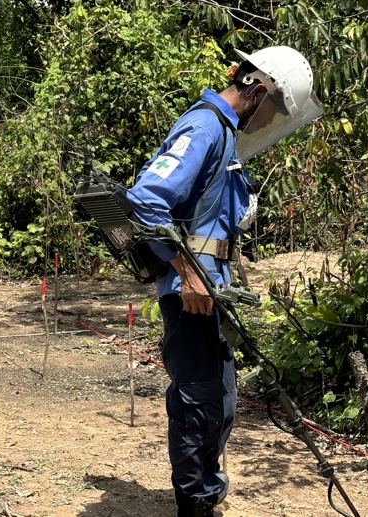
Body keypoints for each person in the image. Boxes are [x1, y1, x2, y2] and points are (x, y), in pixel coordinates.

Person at [126, 46, 323, 517]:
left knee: (222, 400)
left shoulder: (222, 134)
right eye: (275, 110)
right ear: (258, 91)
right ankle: (193, 502)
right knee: (199, 402)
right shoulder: (204, 128)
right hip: (190, 291)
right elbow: (144, 201)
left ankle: (206, 490)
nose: (269, 121)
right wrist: (188, 270)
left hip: (214, 291)